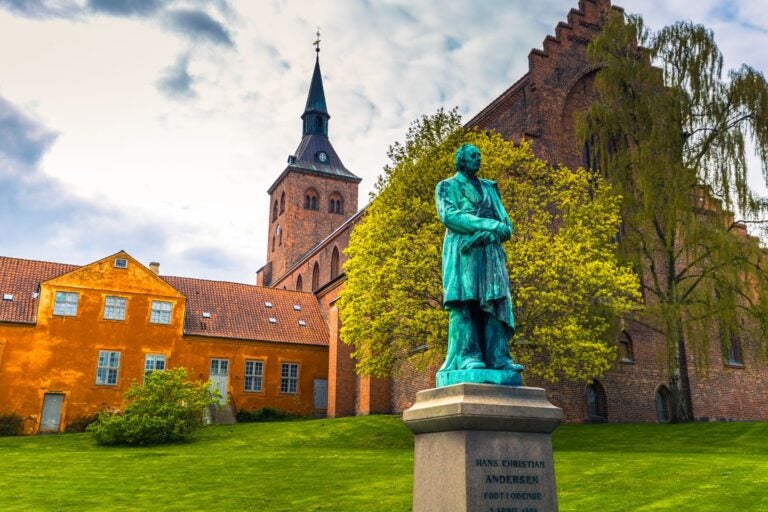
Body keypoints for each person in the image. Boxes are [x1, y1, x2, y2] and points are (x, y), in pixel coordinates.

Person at [435, 143, 523, 374]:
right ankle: (467, 356)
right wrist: (489, 225)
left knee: (496, 302)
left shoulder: (490, 189)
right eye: (474, 155)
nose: (478, 159)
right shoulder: (447, 186)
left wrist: (494, 231)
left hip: (491, 253)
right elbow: (450, 216)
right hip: (463, 253)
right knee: (465, 302)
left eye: (480, 155)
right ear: (461, 160)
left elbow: (506, 225)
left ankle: (499, 357)